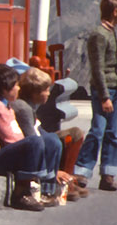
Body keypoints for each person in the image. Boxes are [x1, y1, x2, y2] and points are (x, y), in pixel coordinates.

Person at [0, 63, 64, 211]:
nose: (18, 89)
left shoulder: (6, 106)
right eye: (15, 85)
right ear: (4, 88)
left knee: (51, 140)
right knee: (33, 142)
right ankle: (22, 192)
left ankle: (46, 190)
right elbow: (13, 139)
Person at [74, 0, 117, 193]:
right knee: (98, 131)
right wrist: (104, 96)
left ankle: (108, 174)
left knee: (113, 133)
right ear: (115, 12)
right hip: (104, 91)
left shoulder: (111, 31)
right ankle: (82, 171)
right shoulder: (99, 35)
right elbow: (97, 69)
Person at [14, 66, 85, 201]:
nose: (48, 93)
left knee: (75, 134)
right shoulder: (24, 108)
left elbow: (40, 131)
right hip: (30, 151)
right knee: (52, 140)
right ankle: (49, 187)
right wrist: (53, 172)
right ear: (35, 93)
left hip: (40, 140)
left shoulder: (32, 107)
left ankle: (66, 180)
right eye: (45, 90)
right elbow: (34, 139)